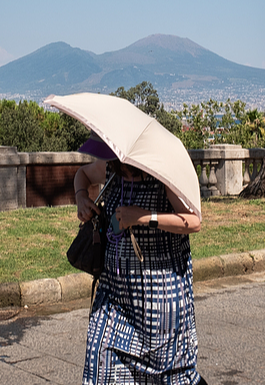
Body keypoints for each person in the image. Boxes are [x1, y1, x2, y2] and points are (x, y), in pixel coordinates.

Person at [74, 133, 206, 385]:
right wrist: (81, 197)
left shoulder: (162, 171)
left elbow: (193, 221)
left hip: (159, 302)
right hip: (114, 297)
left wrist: (144, 216)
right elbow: (83, 174)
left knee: (173, 376)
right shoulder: (111, 168)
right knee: (99, 364)